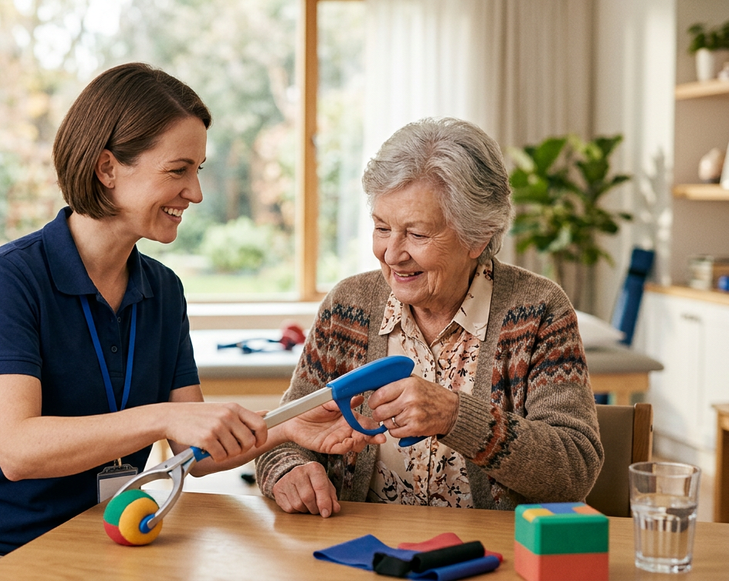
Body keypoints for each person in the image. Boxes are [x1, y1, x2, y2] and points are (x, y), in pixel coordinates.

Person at [0, 62, 374, 581]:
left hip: (104, 545)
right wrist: (161, 418)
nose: (195, 193)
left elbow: (191, 453)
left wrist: (288, 428)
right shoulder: (8, 280)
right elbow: (19, 450)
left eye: (198, 169)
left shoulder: (163, 290)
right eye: (178, 171)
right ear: (108, 168)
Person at [256, 117, 604, 517]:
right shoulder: (347, 307)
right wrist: (288, 469)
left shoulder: (538, 311)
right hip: (359, 552)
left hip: (492, 555)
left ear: (478, 236)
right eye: (382, 227)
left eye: (417, 235)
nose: (392, 253)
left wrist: (457, 416)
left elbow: (574, 468)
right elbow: (285, 431)